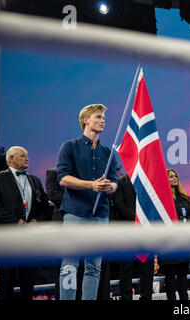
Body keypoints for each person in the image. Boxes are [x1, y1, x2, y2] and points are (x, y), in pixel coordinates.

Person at [57, 103, 118, 300]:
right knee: (69, 265)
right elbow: (63, 178)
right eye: (98, 117)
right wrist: (91, 185)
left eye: (103, 118)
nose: (103, 121)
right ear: (86, 120)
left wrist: (109, 186)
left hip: (100, 215)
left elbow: (115, 184)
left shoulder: (108, 152)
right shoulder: (69, 147)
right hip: (75, 214)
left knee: (94, 267)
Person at [0, 146, 50, 300]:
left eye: (27, 156)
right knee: (6, 283)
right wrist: (15, 222)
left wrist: (37, 221)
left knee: (29, 282)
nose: (27, 159)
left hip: (30, 239)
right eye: (22, 156)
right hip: (7, 238)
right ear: (11, 159)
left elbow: (45, 207)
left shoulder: (35, 180)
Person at [112, 173, 154, 300]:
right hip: (127, 234)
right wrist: (138, 219)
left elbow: (151, 203)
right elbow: (119, 204)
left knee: (147, 269)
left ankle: (146, 297)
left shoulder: (147, 182)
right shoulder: (120, 181)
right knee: (126, 271)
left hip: (144, 234)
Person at [160, 169, 190, 300]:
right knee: (170, 279)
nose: (174, 178)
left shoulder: (184, 199)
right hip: (168, 245)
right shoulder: (162, 200)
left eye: (175, 176)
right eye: (170, 177)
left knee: (183, 278)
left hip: (184, 244)